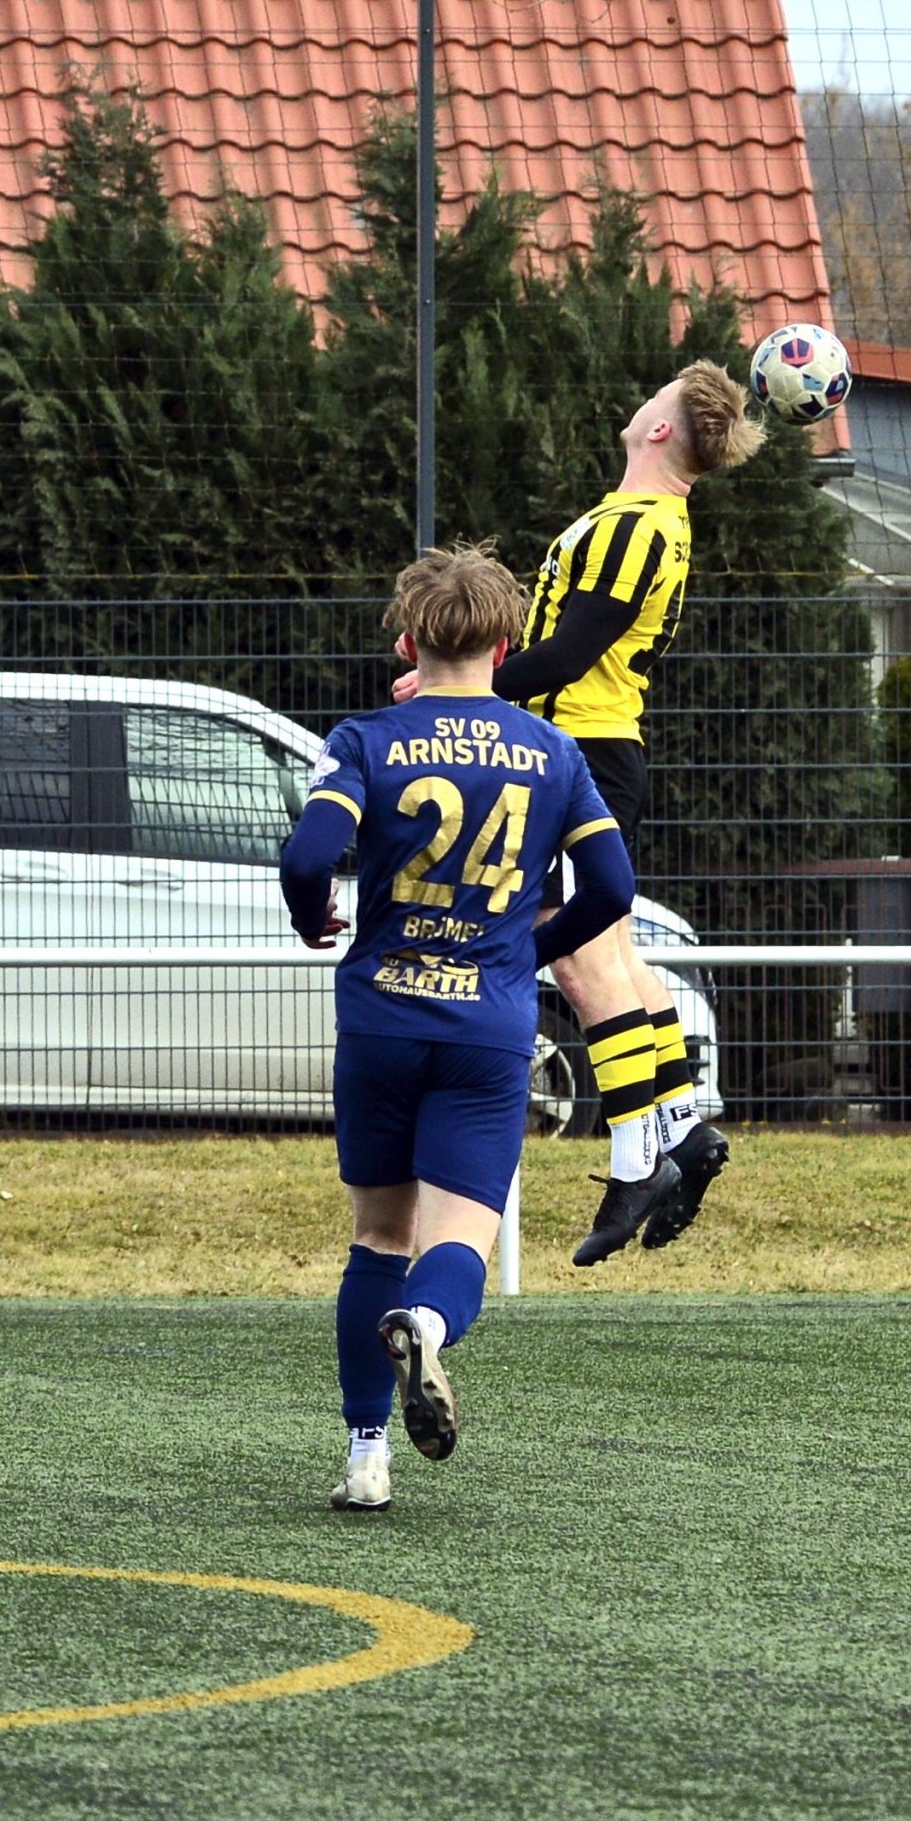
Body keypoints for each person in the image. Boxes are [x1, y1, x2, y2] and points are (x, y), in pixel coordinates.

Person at [282, 544, 636, 1512]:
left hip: (381, 1018)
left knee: (377, 1236)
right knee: (459, 1245)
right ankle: (430, 1329)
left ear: (407, 642)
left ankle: (366, 1456)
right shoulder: (552, 751)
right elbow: (611, 887)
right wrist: (526, 950)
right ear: (505, 646)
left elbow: (309, 855)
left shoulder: (366, 737)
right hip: (487, 1025)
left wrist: (310, 917)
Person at [394, 362, 766, 1266]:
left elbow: (568, 656)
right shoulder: (644, 517)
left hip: (582, 754)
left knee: (575, 954)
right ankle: (684, 1127)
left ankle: (638, 1159)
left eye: (657, 396)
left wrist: (459, 686)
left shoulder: (640, 526)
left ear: (662, 429)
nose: (642, 402)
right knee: (617, 956)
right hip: (598, 752)